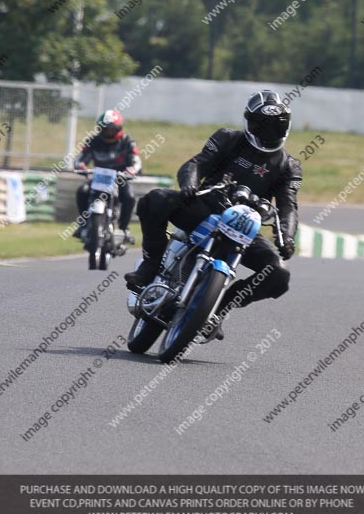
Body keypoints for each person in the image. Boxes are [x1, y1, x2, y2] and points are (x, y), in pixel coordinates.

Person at [125, 90, 302, 340]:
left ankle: (218, 309)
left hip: (243, 227)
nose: (268, 131)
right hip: (203, 209)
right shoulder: (227, 138)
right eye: (262, 125)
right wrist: (189, 183)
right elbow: (196, 163)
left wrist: (287, 235)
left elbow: (288, 205)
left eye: (276, 126)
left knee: (279, 275)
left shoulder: (289, 166)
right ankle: (151, 264)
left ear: (286, 127)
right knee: (155, 199)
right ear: (249, 122)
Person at [73, 110, 141, 242]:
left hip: (120, 179)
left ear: (118, 129)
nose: (108, 132)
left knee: (129, 197)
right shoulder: (93, 141)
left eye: (111, 129)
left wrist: (132, 170)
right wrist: (80, 165)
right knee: (82, 191)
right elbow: (80, 158)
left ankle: (124, 228)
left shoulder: (127, 141)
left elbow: (136, 160)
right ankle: (84, 224)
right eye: (105, 129)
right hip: (99, 178)